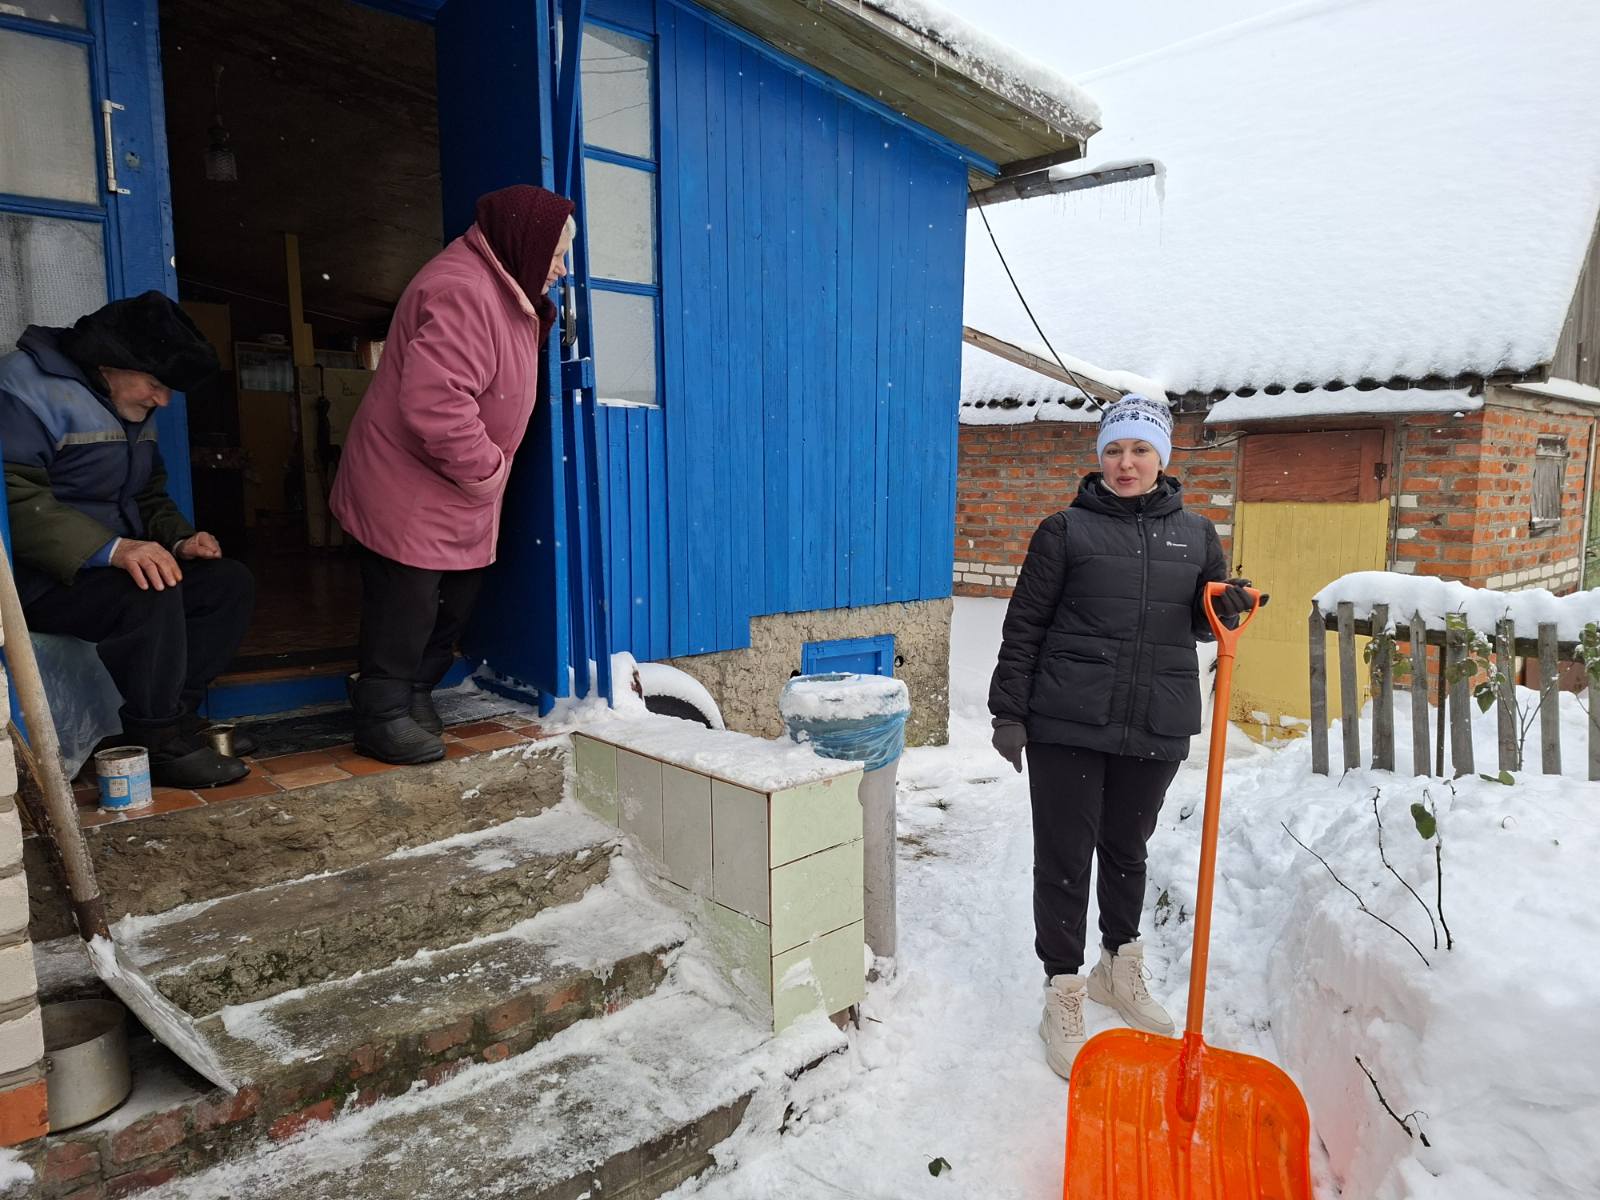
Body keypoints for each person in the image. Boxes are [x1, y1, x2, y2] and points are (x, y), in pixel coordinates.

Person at [987, 393, 1258, 1080]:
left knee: (1128, 850)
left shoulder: (1195, 534)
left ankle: (1119, 967)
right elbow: (1024, 627)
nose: (1126, 462)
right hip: (1067, 721)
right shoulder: (1064, 531)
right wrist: (1008, 713)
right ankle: (1064, 989)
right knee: (1065, 858)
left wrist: (1224, 604)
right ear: (1099, 458)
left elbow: (1202, 620)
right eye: (1114, 450)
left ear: (1162, 458)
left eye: (1140, 450)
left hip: (1155, 718)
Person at [331, 184, 576, 764]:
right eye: (559, 253)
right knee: (406, 600)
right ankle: (381, 711)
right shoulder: (465, 290)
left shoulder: (505, 288)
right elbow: (437, 405)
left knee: (455, 597)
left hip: (454, 485)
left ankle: (414, 691)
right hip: (409, 480)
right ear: (528, 243)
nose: (563, 270)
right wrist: (489, 471)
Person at [0, 292, 255, 788]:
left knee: (226, 583)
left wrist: (179, 540)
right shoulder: (23, 387)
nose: (162, 401)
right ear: (108, 364)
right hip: (34, 577)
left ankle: (172, 717)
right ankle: (157, 743)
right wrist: (114, 550)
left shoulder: (126, 401)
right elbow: (10, 497)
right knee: (148, 591)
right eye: (156, 385)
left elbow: (148, 495)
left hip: (104, 565)